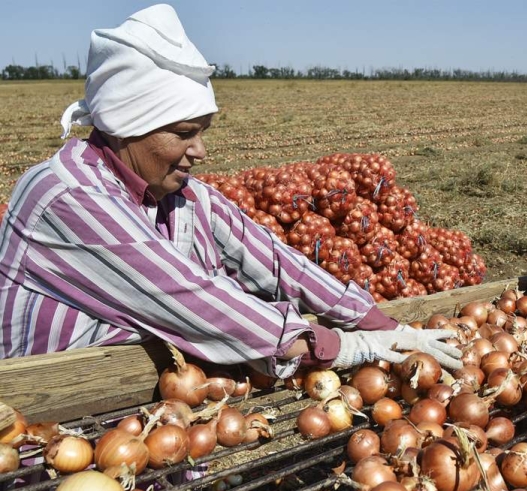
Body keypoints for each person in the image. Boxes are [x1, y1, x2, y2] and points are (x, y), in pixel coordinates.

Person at [0, 4, 462, 378]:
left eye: (203, 131)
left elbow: (277, 261)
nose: (200, 150)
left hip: (148, 408)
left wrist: (387, 326)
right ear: (126, 127)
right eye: (184, 133)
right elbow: (190, 298)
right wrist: (347, 347)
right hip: (51, 422)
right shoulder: (67, 196)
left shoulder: (182, 195)